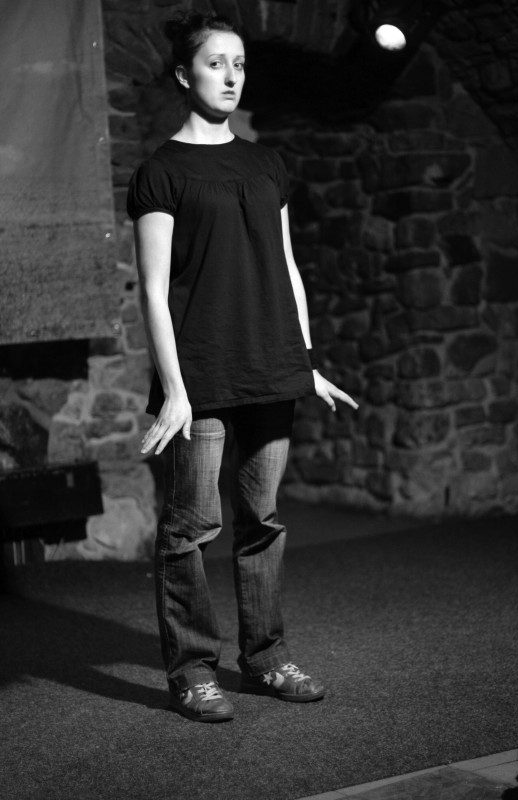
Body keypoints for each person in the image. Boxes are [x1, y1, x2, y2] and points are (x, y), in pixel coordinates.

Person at [127, 11, 359, 723]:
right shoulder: (162, 171)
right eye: (215, 63)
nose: (231, 77)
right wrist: (174, 392)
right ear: (183, 74)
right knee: (191, 527)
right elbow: (154, 290)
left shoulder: (266, 164)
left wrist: (304, 361)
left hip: (270, 367)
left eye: (239, 64)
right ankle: (193, 670)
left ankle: (265, 657)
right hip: (200, 373)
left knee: (262, 518)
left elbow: (285, 267)